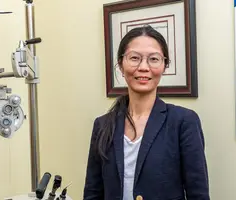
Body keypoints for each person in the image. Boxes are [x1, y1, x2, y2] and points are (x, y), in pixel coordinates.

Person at [83, 25, 210, 200]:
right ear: (120, 64)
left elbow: (198, 194)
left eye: (153, 59)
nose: (143, 67)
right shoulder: (103, 125)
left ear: (165, 65)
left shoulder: (183, 122)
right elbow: (93, 192)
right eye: (134, 58)